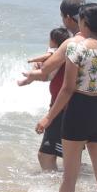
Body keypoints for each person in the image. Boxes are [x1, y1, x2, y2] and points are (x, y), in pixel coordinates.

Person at [36, 3, 97, 192]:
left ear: (84, 23)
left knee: (70, 176)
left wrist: (48, 118)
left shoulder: (77, 48)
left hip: (79, 110)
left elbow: (67, 89)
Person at [17, 0, 86, 92]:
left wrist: (33, 71)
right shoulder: (96, 39)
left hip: (68, 98)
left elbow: (45, 69)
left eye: (62, 16)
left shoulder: (71, 43)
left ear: (68, 18)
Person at [27, 27, 71, 171]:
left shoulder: (59, 53)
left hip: (61, 109)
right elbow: (48, 74)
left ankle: (55, 183)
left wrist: (48, 118)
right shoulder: (70, 51)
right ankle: (75, 179)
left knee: (46, 155)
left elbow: (45, 72)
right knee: (69, 155)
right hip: (62, 107)